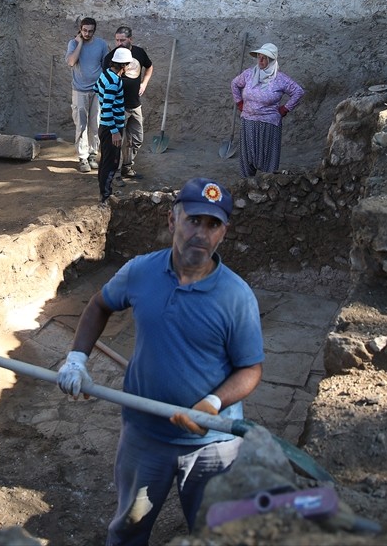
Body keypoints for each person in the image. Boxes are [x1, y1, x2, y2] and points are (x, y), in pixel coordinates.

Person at [57, 177, 264, 545]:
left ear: (224, 233)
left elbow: (250, 369)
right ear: (172, 221)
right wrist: (76, 360)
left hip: (212, 444)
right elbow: (99, 305)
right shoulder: (141, 272)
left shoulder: (236, 297)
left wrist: (212, 403)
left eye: (213, 225)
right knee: (129, 527)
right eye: (193, 220)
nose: (201, 233)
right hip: (145, 434)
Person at [230, 42, 304, 178]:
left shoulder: (280, 79)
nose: (260, 60)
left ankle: (268, 183)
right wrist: (239, 103)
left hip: (269, 124)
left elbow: (298, 91)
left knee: (268, 158)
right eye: (259, 57)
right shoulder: (249, 74)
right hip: (248, 122)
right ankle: (247, 182)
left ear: (272, 60)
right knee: (247, 156)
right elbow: (234, 84)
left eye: (264, 58)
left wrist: (285, 109)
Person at [102, 27, 153, 180]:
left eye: (122, 40)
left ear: (131, 39)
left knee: (136, 139)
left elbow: (149, 66)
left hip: (135, 105)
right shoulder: (110, 58)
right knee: (117, 141)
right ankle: (115, 174)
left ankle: (127, 167)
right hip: (119, 107)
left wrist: (144, 83)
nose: (119, 43)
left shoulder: (139, 53)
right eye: (117, 40)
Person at [66, 17, 109, 173]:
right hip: (79, 90)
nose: (87, 33)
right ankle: (82, 157)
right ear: (80, 29)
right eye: (84, 30)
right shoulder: (73, 44)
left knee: (96, 123)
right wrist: (80, 44)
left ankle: (92, 154)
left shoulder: (102, 44)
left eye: (90, 31)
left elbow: (106, 66)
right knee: (81, 124)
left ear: (94, 31)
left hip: (97, 90)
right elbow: (71, 62)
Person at [95, 47, 133, 203]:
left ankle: (105, 192)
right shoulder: (114, 81)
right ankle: (105, 197)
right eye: (128, 64)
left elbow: (96, 88)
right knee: (111, 164)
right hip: (112, 128)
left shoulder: (105, 74)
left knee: (105, 161)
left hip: (104, 127)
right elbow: (107, 108)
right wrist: (115, 132)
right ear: (123, 65)